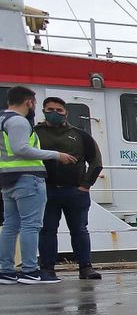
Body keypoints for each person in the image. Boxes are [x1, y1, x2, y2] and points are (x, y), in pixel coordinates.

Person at [1, 86, 77, 285]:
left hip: (8, 179)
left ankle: (6, 270)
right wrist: (56, 155)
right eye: (34, 103)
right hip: (28, 178)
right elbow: (21, 149)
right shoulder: (19, 121)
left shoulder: (2, 120)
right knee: (31, 225)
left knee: (10, 226)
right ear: (29, 102)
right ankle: (29, 270)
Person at [36, 96, 103, 279]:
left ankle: (86, 268)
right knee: (47, 230)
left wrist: (86, 185)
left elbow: (96, 161)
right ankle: (47, 269)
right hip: (46, 190)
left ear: (66, 112)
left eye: (59, 110)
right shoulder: (35, 134)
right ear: (43, 111)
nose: (54, 113)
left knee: (79, 230)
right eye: (50, 110)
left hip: (75, 191)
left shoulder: (81, 135)